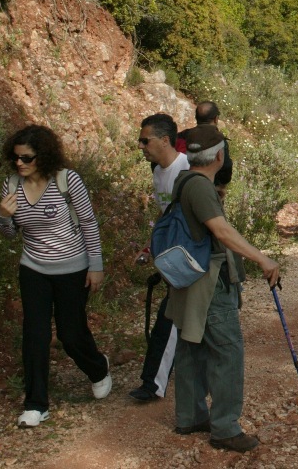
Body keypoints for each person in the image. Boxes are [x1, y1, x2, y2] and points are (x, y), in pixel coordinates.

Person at [166, 126, 281, 452]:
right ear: (219, 155)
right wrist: (262, 259)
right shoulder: (200, 187)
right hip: (210, 282)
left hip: (190, 277)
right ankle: (225, 427)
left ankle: (190, 416)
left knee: (193, 346)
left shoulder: (185, 180)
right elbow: (222, 232)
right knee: (227, 352)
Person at [0, 125, 112, 429]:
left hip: (73, 268)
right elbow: (8, 234)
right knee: (35, 334)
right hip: (33, 268)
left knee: (70, 334)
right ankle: (36, 404)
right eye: (16, 157)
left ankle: (98, 369)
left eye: (27, 158)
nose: (19, 163)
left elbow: (88, 222)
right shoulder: (10, 186)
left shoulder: (66, 180)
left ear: (43, 156)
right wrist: (3, 217)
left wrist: (95, 265)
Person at [130, 114, 191, 403]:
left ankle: (153, 383)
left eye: (145, 140)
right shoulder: (158, 173)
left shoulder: (187, 169)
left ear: (165, 140)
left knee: (170, 317)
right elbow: (165, 214)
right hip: (172, 256)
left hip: (190, 258)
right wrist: (151, 245)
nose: (140, 145)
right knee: (180, 317)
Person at [177, 101, 233, 198]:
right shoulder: (218, 140)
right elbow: (226, 167)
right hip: (208, 190)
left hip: (182, 185)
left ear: (196, 118)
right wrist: (221, 185)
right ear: (216, 119)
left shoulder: (184, 135)